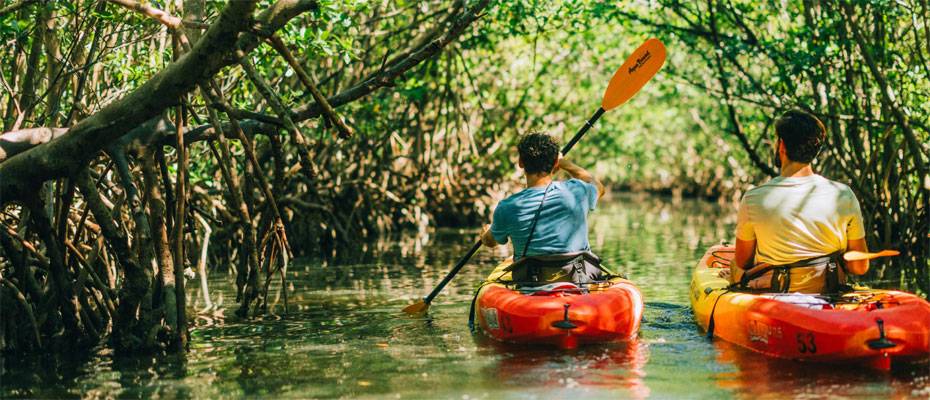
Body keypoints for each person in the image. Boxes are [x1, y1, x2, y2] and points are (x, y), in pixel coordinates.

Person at [728, 109, 869, 293]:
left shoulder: (754, 199)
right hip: (830, 292)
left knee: (734, 266)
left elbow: (743, 261)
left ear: (782, 146)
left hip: (777, 293)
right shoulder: (843, 194)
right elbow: (860, 267)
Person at [479, 132, 605, 281]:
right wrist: (566, 164)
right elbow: (598, 187)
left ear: (521, 162)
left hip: (531, 283)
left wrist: (486, 235)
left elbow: (491, 241)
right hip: (578, 279)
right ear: (555, 164)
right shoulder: (577, 191)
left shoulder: (507, 207)